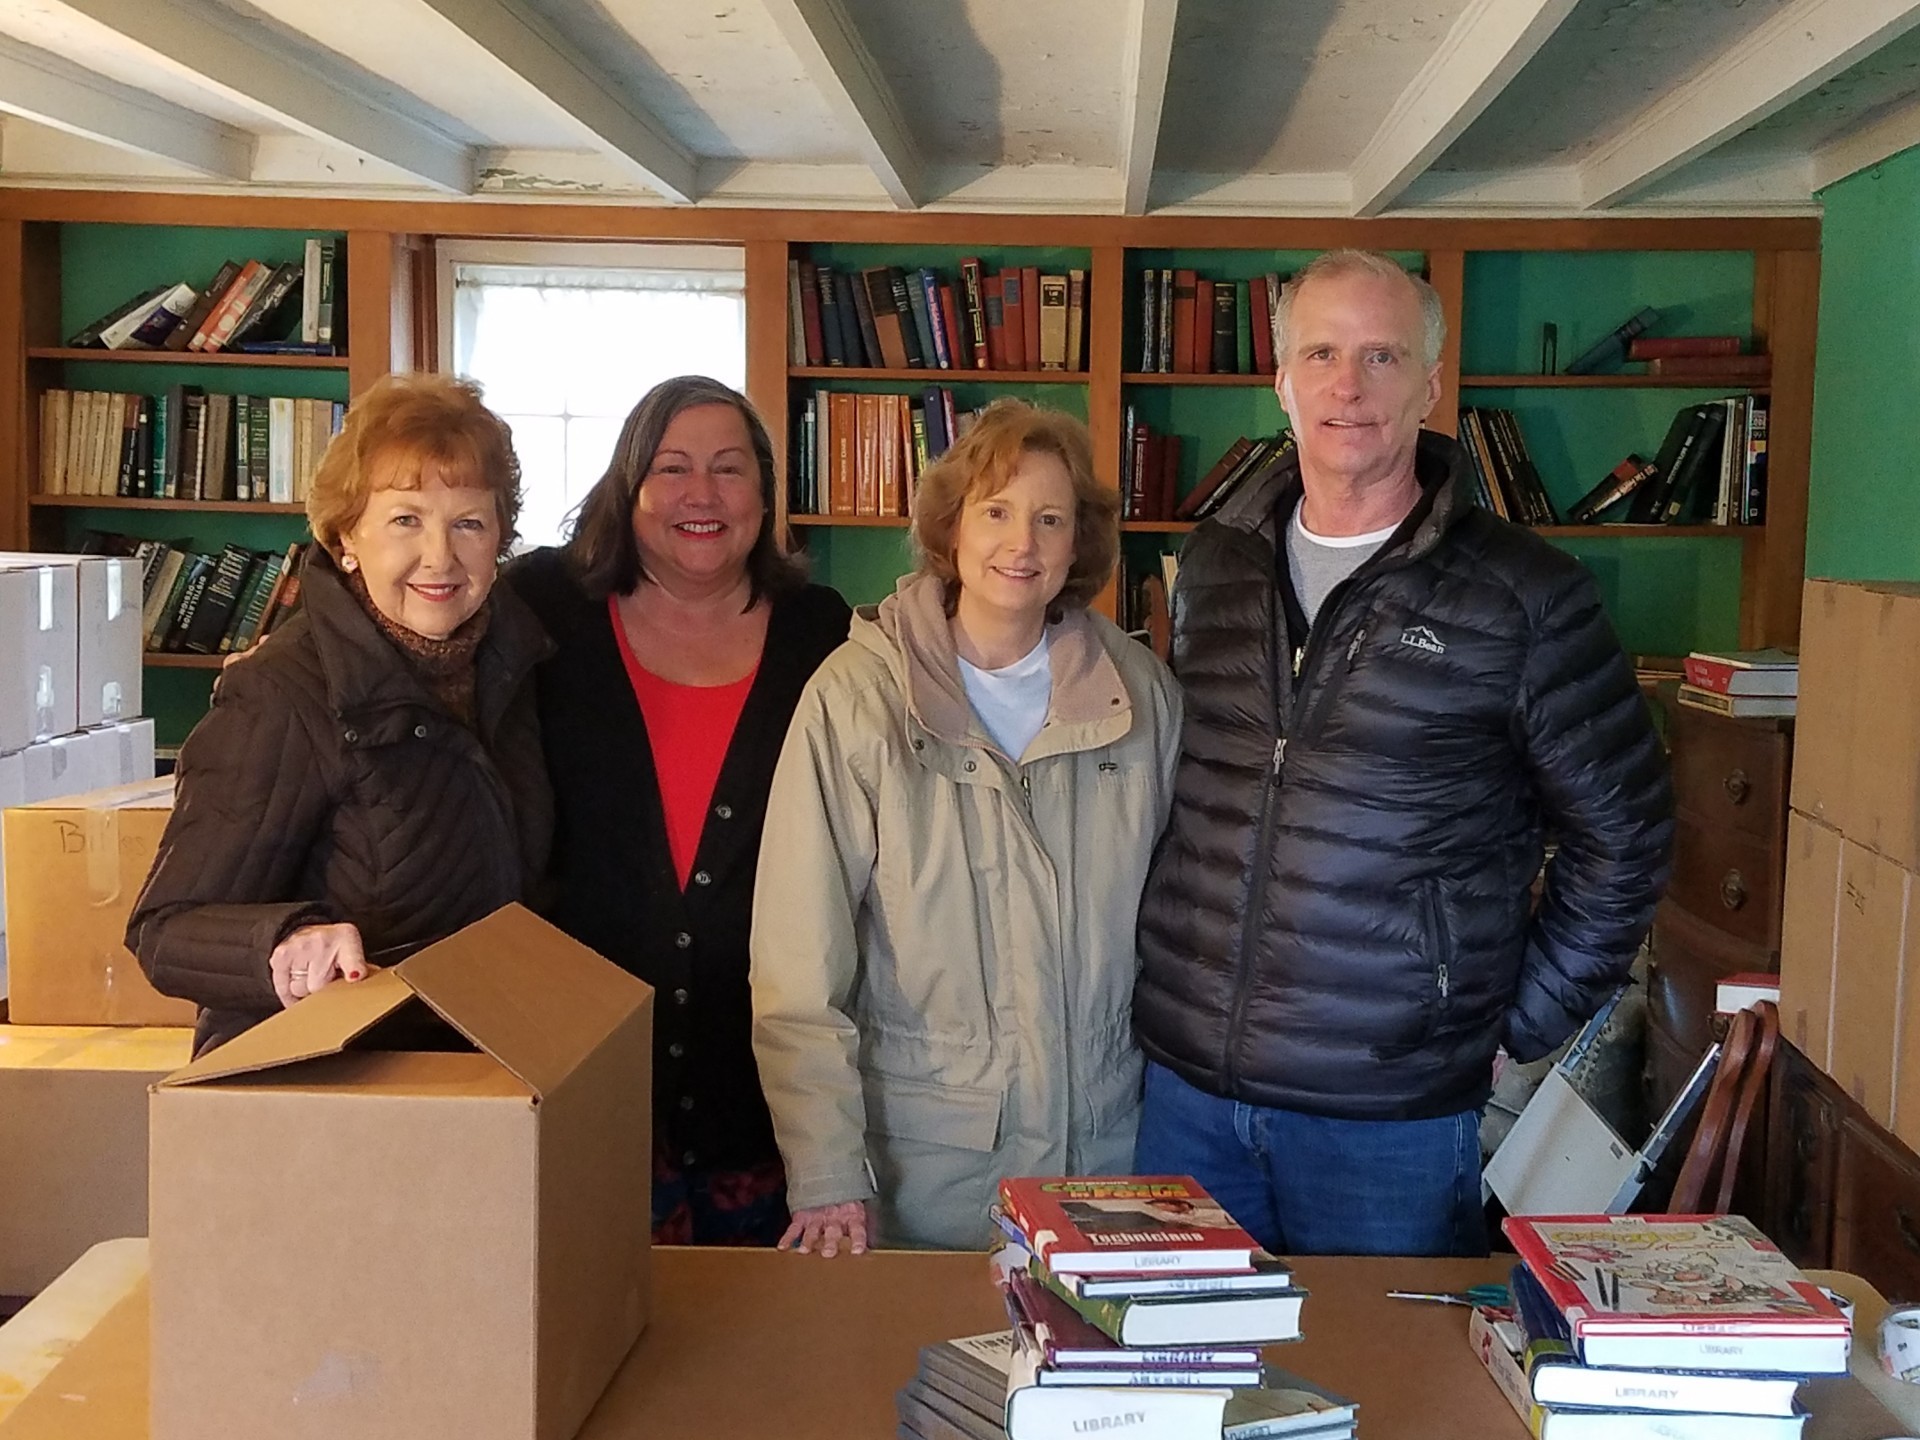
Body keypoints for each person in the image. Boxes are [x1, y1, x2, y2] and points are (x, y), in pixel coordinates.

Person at [1131, 249, 1674, 1258]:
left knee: (1384, 1357)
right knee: (1176, 1355)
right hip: (1190, 1092)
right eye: (1322, 354)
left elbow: (1626, 835)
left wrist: (1520, 1021)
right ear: (1281, 382)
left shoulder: (1526, 595)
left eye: (1381, 356)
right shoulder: (1215, 561)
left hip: (1389, 1112)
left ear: (1429, 385)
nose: (1348, 385)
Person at [750, 398, 1183, 1257]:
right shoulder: (857, 698)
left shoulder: (1139, 693)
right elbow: (798, 966)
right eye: (996, 512)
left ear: (1079, 543)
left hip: (1107, 1158)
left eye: (1050, 519)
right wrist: (827, 1171)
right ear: (950, 527)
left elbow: (1179, 928)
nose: (1022, 543)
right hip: (930, 1173)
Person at [506, 376, 851, 1247]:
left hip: (764, 1086)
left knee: (755, 1325)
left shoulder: (821, 631)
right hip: (578, 1073)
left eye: (730, 469)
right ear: (629, 487)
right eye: (672, 468)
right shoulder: (542, 608)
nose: (703, 494)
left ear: (764, 494)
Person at [129, 373, 553, 1057]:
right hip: (329, 1080)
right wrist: (287, 939)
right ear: (346, 536)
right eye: (406, 520)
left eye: (468, 523)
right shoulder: (280, 692)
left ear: (500, 538)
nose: (440, 556)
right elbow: (164, 930)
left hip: (477, 1066)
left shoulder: (516, 663)